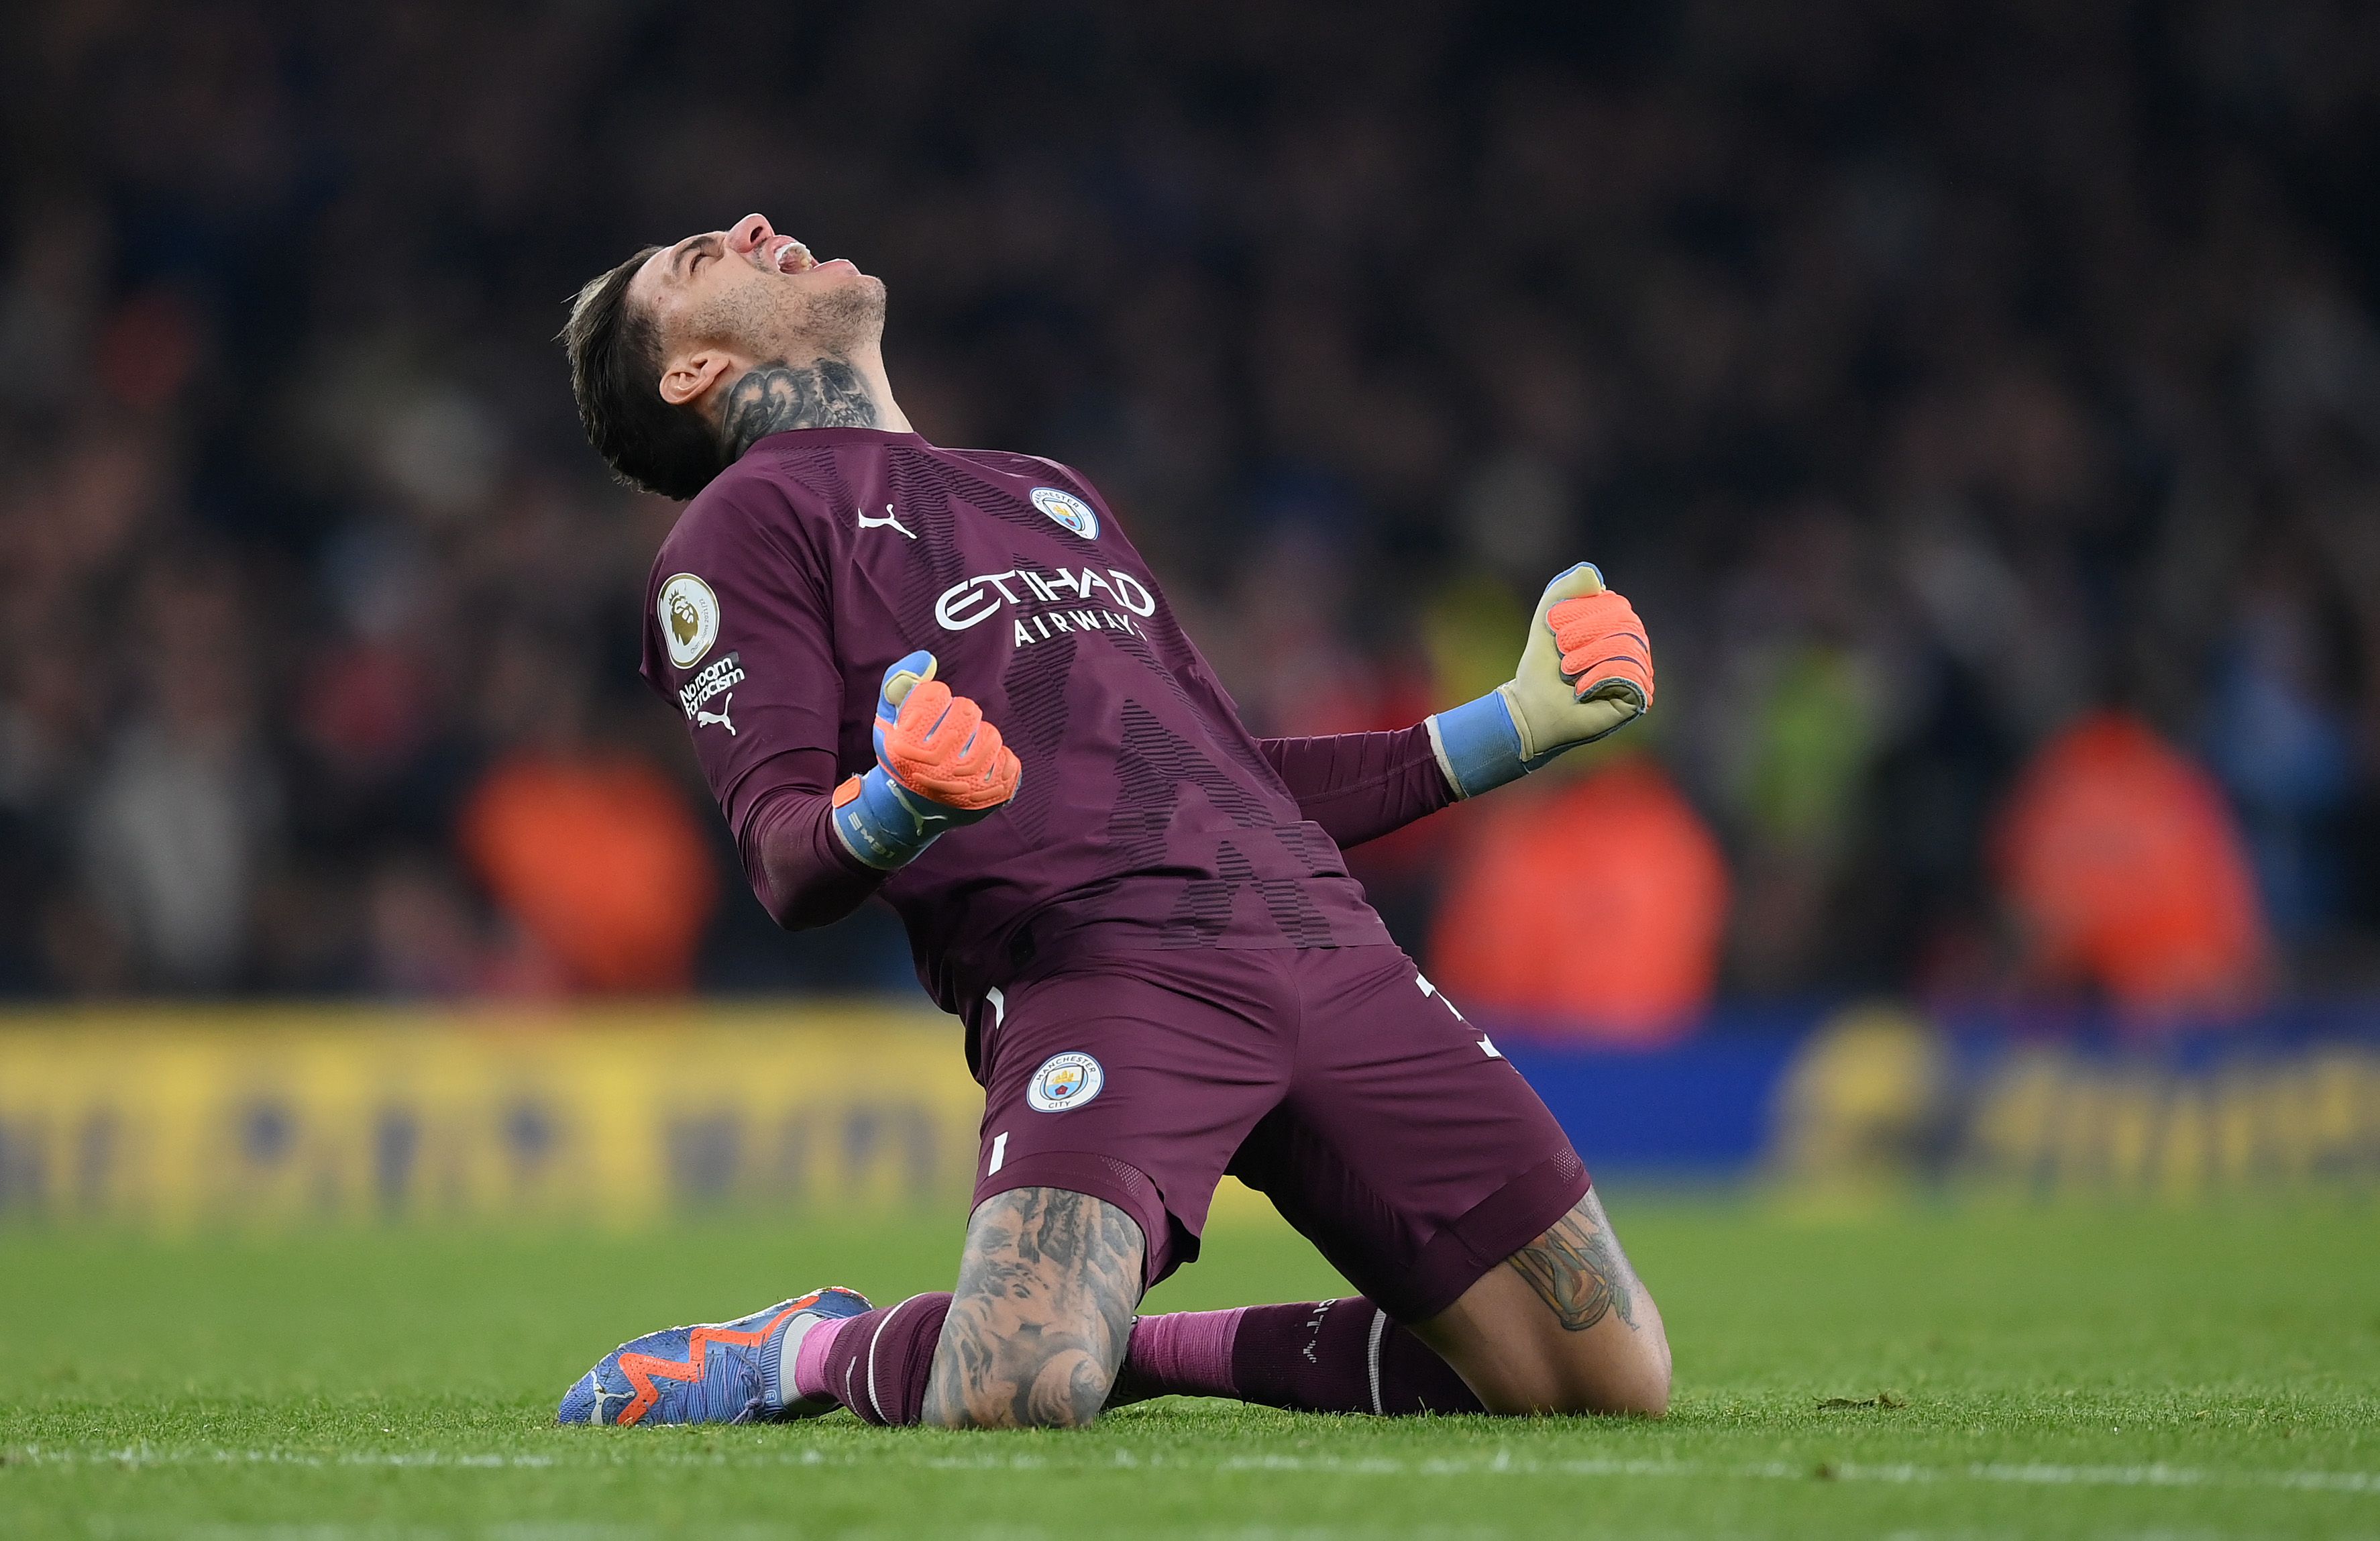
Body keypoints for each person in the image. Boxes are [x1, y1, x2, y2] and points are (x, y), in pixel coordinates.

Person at [551, 214, 1668, 1429]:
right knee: (1013, 1390)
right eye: (699, 256)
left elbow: (1229, 778)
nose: (751, 227)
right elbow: (781, 856)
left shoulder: (1047, 490)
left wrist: (1516, 723)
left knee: (1603, 1381)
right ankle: (814, 1350)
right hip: (1103, 967)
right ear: (691, 373)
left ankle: (1134, 1349)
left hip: (1328, 945)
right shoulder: (735, 530)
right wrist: (894, 803)